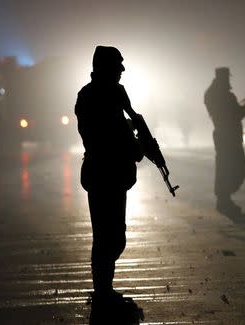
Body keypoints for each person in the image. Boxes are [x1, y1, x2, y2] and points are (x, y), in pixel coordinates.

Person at [74, 46, 143, 307]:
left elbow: (118, 125)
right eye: (118, 65)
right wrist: (135, 144)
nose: (122, 70)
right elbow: (102, 133)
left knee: (112, 235)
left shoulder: (106, 93)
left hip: (110, 173)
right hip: (105, 172)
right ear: (106, 67)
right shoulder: (97, 95)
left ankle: (104, 288)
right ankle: (102, 291)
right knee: (108, 236)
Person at [204, 67, 245, 214]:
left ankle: (223, 198)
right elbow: (235, 114)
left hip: (222, 135)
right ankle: (224, 198)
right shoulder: (226, 96)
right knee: (238, 167)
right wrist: (243, 109)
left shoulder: (211, 94)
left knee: (225, 167)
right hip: (230, 136)